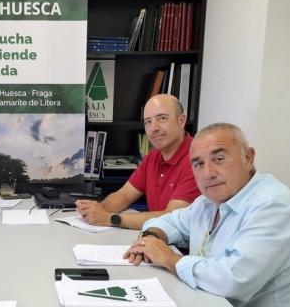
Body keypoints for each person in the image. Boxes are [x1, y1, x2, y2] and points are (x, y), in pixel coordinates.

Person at [125, 123, 290, 307]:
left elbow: (234, 279)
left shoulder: (274, 206)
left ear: (248, 158)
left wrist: (169, 258)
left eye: (219, 159)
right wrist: (150, 239)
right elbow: (170, 221)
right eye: (198, 164)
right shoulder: (208, 202)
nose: (208, 173)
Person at [76, 94, 200, 230]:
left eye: (162, 118)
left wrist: (109, 218)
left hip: (181, 242)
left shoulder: (198, 160)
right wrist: (97, 209)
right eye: (148, 122)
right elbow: (124, 195)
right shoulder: (152, 157)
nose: (153, 128)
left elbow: (171, 218)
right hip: (155, 236)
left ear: (181, 121)